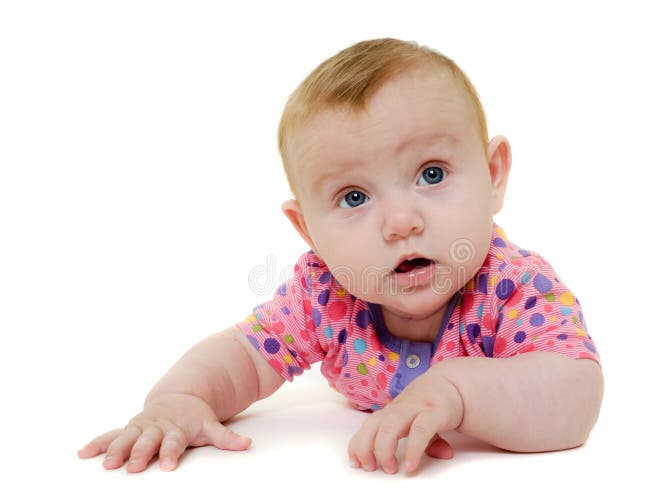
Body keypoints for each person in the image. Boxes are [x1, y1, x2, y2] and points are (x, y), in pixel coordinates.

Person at [78, 38, 604, 475]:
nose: (402, 222)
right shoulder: (324, 295)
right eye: (354, 197)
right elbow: (242, 356)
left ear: (493, 176)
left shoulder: (514, 287)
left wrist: (457, 392)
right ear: (307, 229)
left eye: (433, 174)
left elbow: (576, 395)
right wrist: (180, 401)